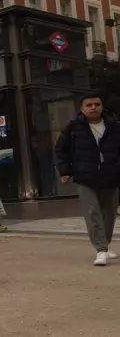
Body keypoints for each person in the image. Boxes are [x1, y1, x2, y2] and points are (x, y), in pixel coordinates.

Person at [55, 93, 120, 266]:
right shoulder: (73, 127)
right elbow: (61, 150)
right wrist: (64, 171)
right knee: (92, 212)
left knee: (109, 214)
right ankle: (101, 250)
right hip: (85, 177)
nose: (93, 107)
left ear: (102, 106)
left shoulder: (114, 125)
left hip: (111, 176)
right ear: (82, 109)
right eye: (89, 105)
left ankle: (104, 245)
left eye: (97, 104)